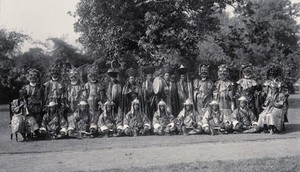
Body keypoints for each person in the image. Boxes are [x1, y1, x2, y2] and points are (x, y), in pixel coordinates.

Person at [83, 65, 105, 137]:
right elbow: (85, 94)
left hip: (97, 101)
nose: (93, 78)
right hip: (89, 101)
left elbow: (102, 94)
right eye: (91, 76)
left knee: (98, 114)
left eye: (94, 76)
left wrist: (101, 101)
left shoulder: (99, 84)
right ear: (89, 77)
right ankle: (91, 128)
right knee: (90, 114)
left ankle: (97, 128)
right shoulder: (87, 85)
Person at [64, 68, 83, 136]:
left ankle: (79, 129)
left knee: (78, 115)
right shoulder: (67, 86)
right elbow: (65, 96)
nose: (73, 77)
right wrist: (66, 103)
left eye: (75, 76)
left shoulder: (80, 86)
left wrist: (80, 103)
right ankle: (71, 128)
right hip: (70, 103)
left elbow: (82, 95)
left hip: (78, 103)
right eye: (71, 76)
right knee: (70, 115)